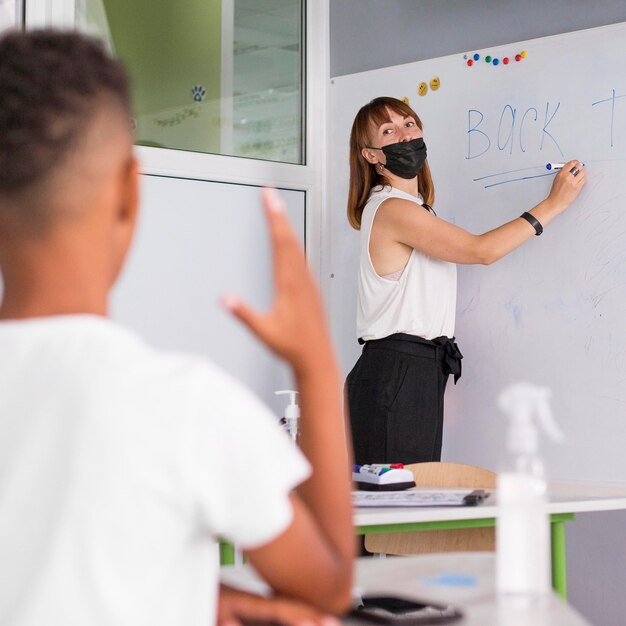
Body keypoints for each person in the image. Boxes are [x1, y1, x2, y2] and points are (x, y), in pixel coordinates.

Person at [0, 30, 354, 625]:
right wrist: (315, 361)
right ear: (128, 194)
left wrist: (201, 597)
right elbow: (330, 584)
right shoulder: (182, 403)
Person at [345, 96, 585, 466]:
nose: (404, 135)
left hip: (415, 371)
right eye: (388, 131)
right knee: (395, 513)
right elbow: (481, 251)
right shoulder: (393, 210)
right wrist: (554, 204)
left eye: (409, 123)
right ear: (372, 155)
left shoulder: (416, 209)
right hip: (396, 373)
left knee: (411, 508)